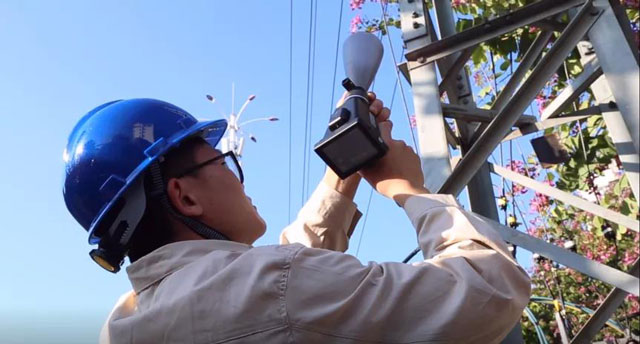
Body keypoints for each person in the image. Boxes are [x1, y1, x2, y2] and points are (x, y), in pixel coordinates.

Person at [62, 96, 530, 344]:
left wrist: (341, 176)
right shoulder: (270, 286)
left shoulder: (125, 324)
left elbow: (275, 292)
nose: (240, 180)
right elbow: (489, 291)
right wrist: (407, 189)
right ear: (184, 196)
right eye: (223, 163)